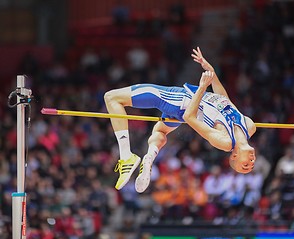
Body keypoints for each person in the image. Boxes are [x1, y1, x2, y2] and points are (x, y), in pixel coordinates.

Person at [104, 47, 257, 193]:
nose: (251, 162)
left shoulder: (225, 141)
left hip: (180, 101)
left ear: (235, 156)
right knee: (160, 131)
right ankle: (149, 158)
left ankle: (126, 157)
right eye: (251, 164)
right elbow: (224, 100)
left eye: (245, 165)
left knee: (112, 98)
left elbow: (188, 117)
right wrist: (212, 72)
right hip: (183, 108)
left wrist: (203, 87)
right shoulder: (249, 126)